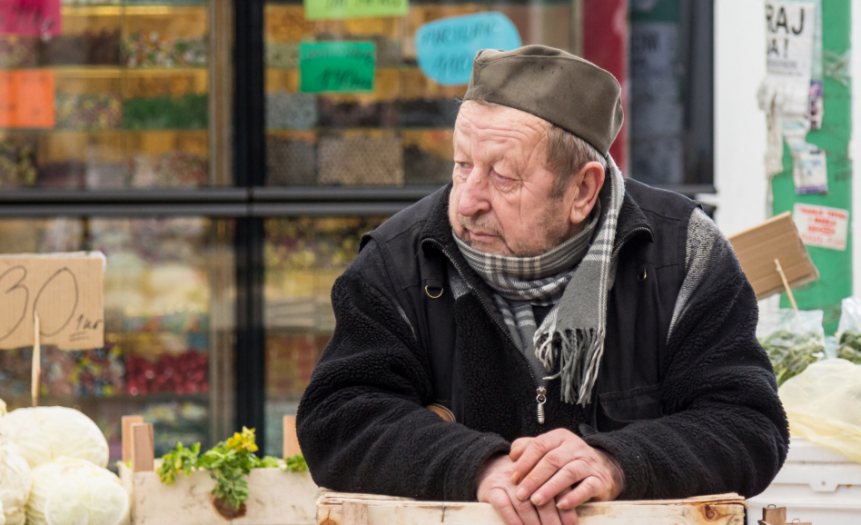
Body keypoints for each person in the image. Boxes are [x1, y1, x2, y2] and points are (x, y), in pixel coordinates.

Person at [297, 46, 788, 525]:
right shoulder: (397, 259)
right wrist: (477, 466)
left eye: (502, 176)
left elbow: (748, 423)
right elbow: (338, 418)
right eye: (462, 164)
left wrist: (615, 462)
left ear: (582, 190)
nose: (466, 202)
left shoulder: (684, 252)